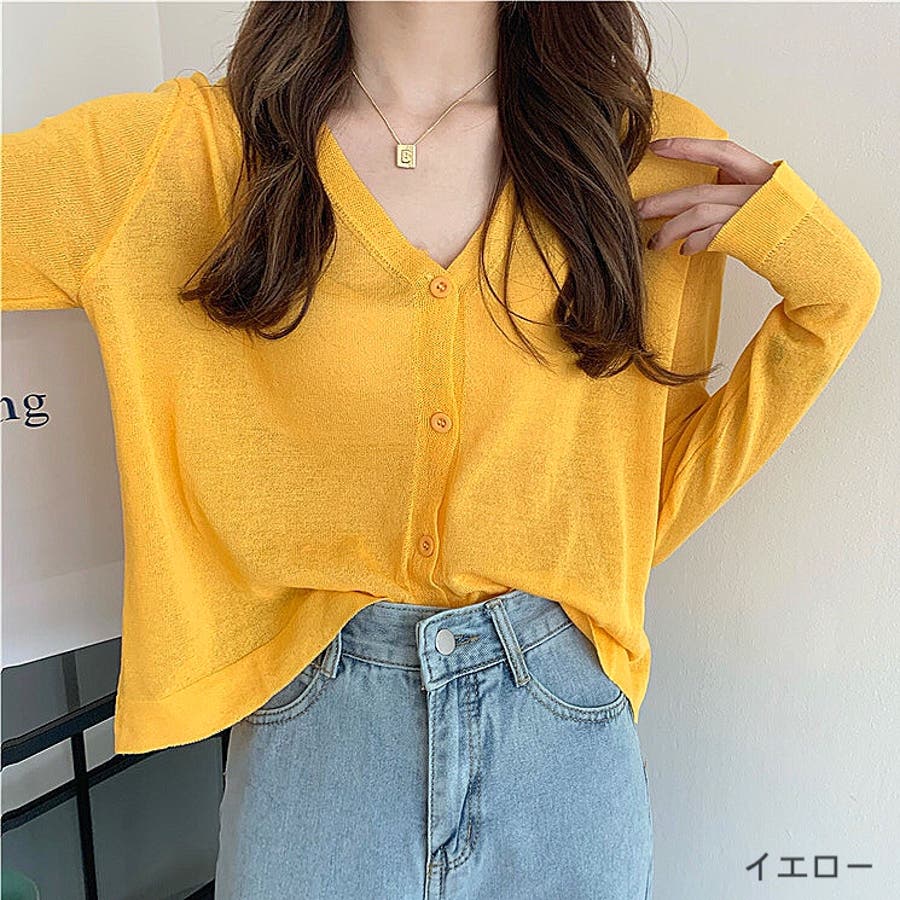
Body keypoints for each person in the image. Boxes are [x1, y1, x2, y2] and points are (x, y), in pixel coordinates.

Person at [1, 2, 881, 898]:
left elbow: (647, 496)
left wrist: (805, 249)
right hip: (315, 738)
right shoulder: (187, 153)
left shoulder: (642, 155)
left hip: (563, 736)